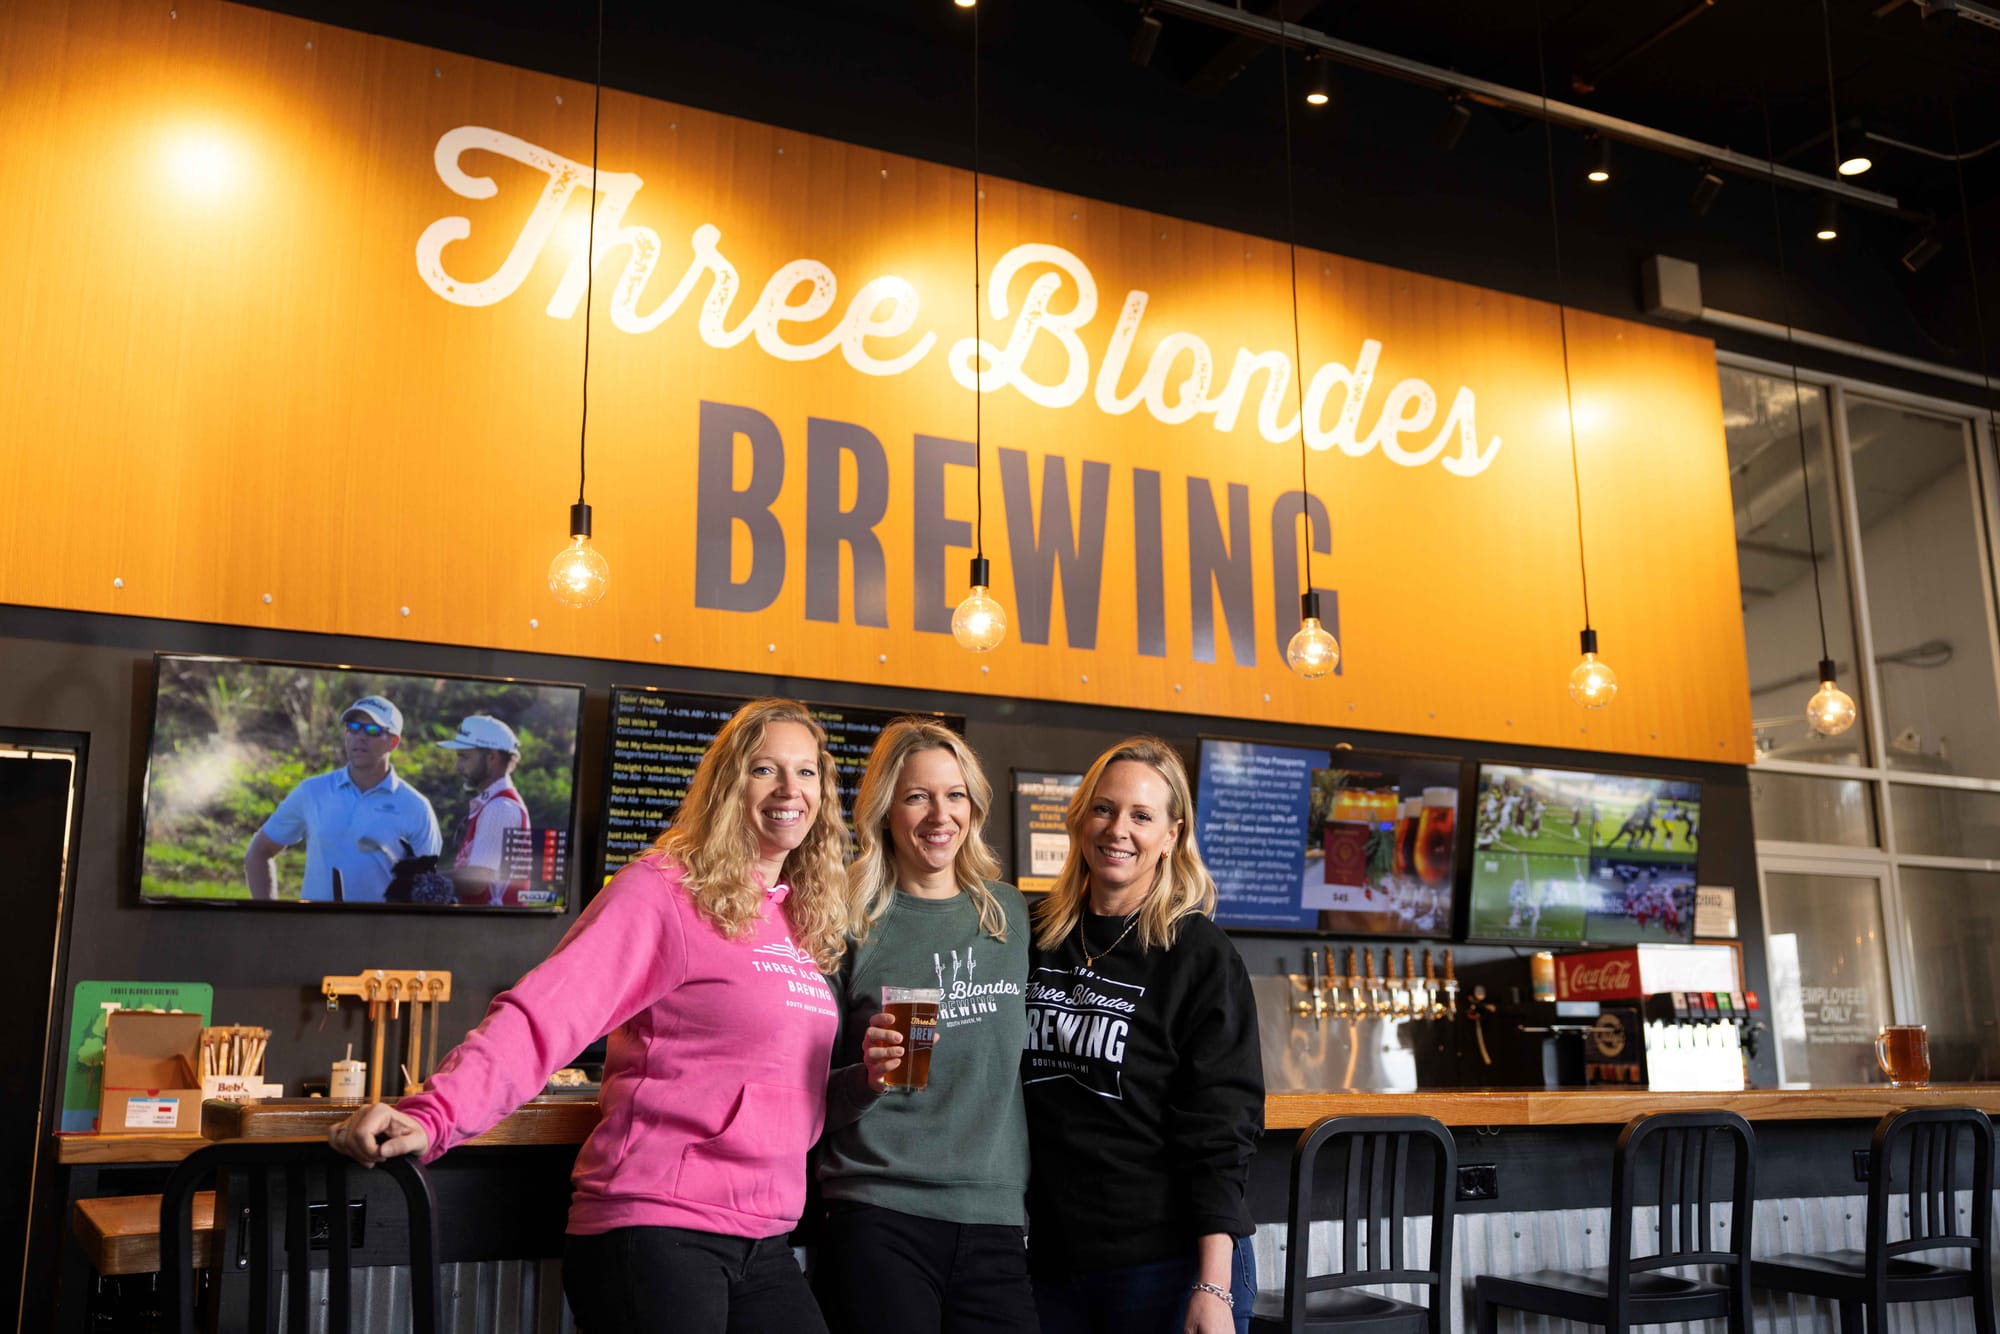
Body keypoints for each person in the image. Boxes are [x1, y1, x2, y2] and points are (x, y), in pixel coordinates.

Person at [326, 698, 876, 1333]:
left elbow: (784, 1088)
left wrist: (865, 1081)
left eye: (806, 772)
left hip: (764, 1236)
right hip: (657, 1226)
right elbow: (544, 1016)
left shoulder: (795, 921)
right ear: (728, 784)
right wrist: (436, 1114)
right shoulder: (664, 889)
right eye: (764, 769)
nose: (790, 790)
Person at [1021, 738, 1262, 1334]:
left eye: (1142, 815)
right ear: (1079, 818)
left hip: (1168, 1264)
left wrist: (1214, 1286)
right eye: (1104, 809)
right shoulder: (1032, 937)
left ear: (1172, 835)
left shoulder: (1198, 955)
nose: (1117, 829)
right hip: (1054, 1261)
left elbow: (1220, 1130)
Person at [814, 718, 1037, 1334]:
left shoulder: (1009, 914)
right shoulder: (846, 922)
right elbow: (806, 1097)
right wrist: (870, 1077)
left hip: (993, 1213)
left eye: (955, 795)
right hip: (878, 1212)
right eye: (917, 796)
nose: (940, 815)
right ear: (886, 810)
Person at [244, 695, 441, 903]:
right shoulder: (312, 791)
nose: (360, 737)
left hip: (382, 933)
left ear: (393, 742)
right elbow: (259, 851)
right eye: (353, 727)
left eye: (372, 730)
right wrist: (269, 915)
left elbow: (426, 889)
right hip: (315, 931)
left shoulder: (416, 807)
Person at [436, 714, 532, 905]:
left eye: (464, 757)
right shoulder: (495, 804)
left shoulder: (499, 808)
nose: (457, 767)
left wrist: (423, 879)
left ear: (491, 757)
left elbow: (476, 881)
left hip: (492, 931)